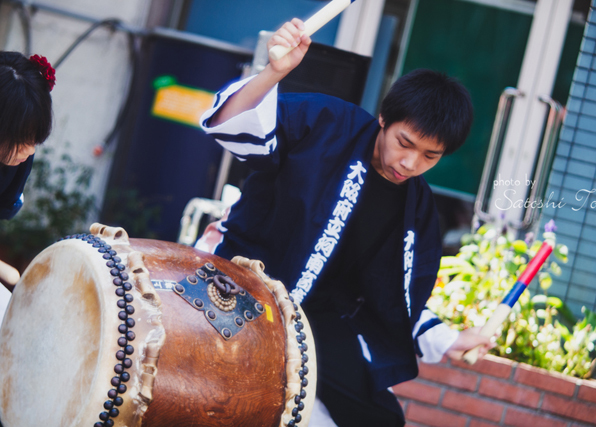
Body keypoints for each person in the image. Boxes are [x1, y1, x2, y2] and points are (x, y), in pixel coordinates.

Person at [199, 19, 493, 427]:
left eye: (430, 156)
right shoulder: (326, 121)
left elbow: (396, 294)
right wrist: (275, 72)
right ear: (385, 119)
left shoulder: (418, 206)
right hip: (238, 285)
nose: (410, 163)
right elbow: (233, 129)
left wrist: (450, 339)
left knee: (380, 419)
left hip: (315, 320)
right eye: (405, 143)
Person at [0, 51, 55, 220]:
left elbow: (6, 204)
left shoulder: (17, 161)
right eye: (20, 139)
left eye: (33, 139)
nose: (30, 150)